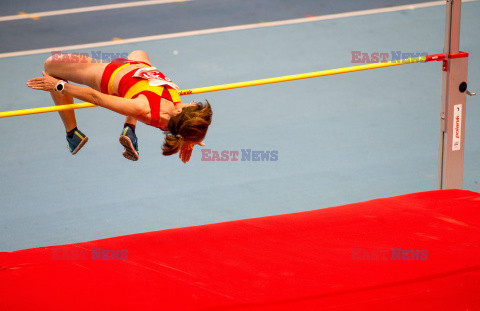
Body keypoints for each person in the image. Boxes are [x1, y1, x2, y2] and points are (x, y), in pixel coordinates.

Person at [26, 50, 212, 163]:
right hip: (137, 69)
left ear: (180, 112)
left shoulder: (144, 108)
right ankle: (129, 129)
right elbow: (180, 127)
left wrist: (58, 86)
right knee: (139, 53)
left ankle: (72, 133)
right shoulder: (174, 109)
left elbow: (95, 98)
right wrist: (190, 138)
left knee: (51, 65)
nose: (193, 102)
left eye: (193, 106)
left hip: (108, 74)